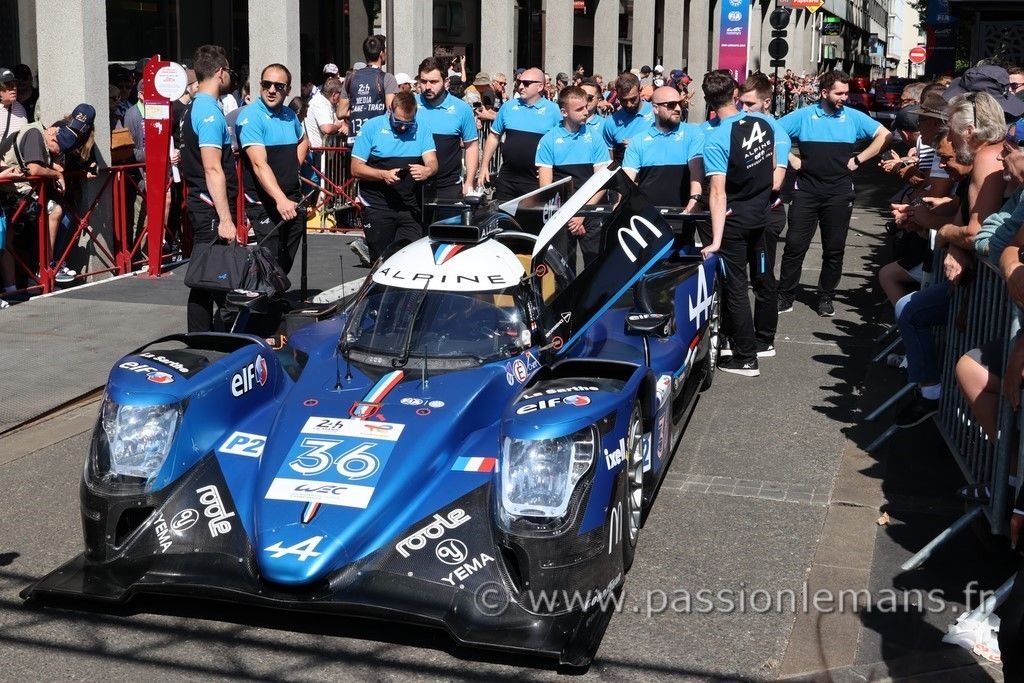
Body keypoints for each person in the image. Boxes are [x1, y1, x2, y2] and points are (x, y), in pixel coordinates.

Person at [776, 70, 890, 317]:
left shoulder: (853, 118)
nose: (844, 98)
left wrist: (859, 159)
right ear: (824, 93)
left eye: (847, 93)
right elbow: (773, 131)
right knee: (795, 246)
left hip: (839, 193)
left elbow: (884, 134)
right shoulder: (804, 116)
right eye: (839, 93)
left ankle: (826, 297)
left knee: (834, 248)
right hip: (806, 191)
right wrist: (790, 158)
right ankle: (785, 295)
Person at [700, 71, 789, 377]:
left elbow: (717, 193)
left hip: (737, 220)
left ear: (708, 101)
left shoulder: (715, 138)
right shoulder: (764, 123)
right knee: (762, 278)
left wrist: (715, 241)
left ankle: (746, 356)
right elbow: (774, 160)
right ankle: (761, 342)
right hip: (762, 215)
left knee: (736, 286)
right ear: (735, 95)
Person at [180, 44, 238, 333]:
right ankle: (215, 339)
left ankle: (201, 336)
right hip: (209, 206)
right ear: (219, 72)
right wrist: (226, 220)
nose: (228, 75)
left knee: (204, 278)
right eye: (227, 70)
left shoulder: (194, 108)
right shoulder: (210, 114)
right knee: (217, 278)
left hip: (200, 201)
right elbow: (213, 168)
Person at [238, 63, 309, 276]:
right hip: (264, 201)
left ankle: (274, 297)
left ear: (287, 90)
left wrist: (293, 166)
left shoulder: (290, 115)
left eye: (278, 86)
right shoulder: (251, 117)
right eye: (266, 84)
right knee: (269, 257)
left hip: (291, 196)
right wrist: (280, 199)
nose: (271, 90)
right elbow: (259, 165)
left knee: (284, 258)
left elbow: (303, 140)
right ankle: (260, 302)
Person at [350, 91, 437, 263]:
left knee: (410, 260)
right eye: (398, 122)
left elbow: (433, 162)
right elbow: (355, 168)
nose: (403, 128)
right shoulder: (371, 127)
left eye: (408, 123)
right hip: (378, 206)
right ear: (390, 110)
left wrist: (427, 170)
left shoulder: (422, 128)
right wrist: (382, 175)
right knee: (382, 262)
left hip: (409, 207)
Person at [534, 85, 610, 268]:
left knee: (595, 269)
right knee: (563, 272)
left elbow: (602, 181)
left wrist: (582, 214)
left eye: (586, 106)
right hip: (561, 214)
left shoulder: (595, 138)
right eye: (579, 109)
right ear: (564, 112)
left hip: (590, 211)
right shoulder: (549, 140)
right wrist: (568, 216)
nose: (586, 112)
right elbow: (547, 187)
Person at [479, 67, 561, 202]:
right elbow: (494, 136)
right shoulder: (508, 107)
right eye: (519, 83)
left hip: (535, 181)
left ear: (540, 86)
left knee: (530, 222)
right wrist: (484, 167)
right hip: (507, 179)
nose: (521, 87)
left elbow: (560, 143)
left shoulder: (553, 110)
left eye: (526, 83)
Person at [622, 86, 703, 214]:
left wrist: (694, 199)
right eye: (671, 105)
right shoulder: (639, 140)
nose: (677, 108)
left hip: (683, 214)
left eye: (680, 104)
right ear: (655, 108)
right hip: (647, 217)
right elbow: (626, 180)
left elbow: (696, 169)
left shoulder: (693, 133)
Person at [414, 57, 478, 206]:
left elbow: (471, 146)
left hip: (449, 188)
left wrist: (469, 181)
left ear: (446, 82)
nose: (427, 87)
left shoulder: (462, 109)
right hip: (413, 186)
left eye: (433, 82)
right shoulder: (410, 105)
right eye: (423, 82)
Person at [339, 34, 399, 144]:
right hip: (379, 140)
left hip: (356, 140)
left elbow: (340, 112)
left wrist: (360, 109)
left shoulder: (350, 78)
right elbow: (392, 111)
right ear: (381, 53)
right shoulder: (387, 78)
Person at [602, 72, 654, 165]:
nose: (629, 104)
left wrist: (638, 145)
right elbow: (610, 162)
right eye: (623, 100)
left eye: (633, 99)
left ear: (640, 90)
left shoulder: (656, 113)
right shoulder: (611, 122)